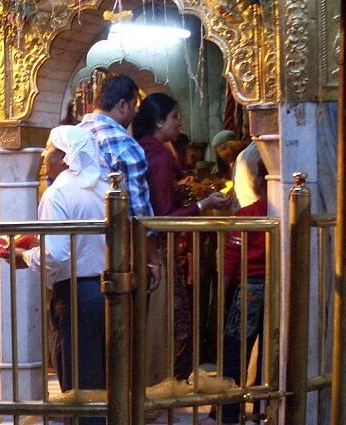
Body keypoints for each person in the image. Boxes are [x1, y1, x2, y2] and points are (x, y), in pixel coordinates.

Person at [5, 126, 108, 425]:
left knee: (79, 381)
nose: (43, 157)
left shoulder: (58, 193)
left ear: (65, 158)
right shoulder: (102, 189)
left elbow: (57, 254)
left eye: (48, 150)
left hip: (76, 296)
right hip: (107, 291)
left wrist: (24, 255)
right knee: (102, 379)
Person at [132, 93, 230, 382]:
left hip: (145, 249)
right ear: (159, 121)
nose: (180, 123)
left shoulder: (148, 149)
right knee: (170, 324)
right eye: (175, 116)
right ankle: (160, 387)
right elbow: (162, 218)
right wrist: (204, 204)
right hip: (158, 250)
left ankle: (151, 387)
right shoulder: (159, 157)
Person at [202, 161, 268, 425]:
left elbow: (231, 257)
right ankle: (264, 409)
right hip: (281, 287)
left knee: (235, 349)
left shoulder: (249, 214)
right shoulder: (290, 212)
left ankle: (228, 413)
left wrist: (222, 292)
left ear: (261, 180)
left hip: (251, 287)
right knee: (269, 352)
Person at [77, 73, 153, 219]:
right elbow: (139, 214)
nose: (135, 114)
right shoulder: (125, 145)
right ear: (123, 105)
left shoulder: (70, 137)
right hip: (113, 236)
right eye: (134, 106)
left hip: (73, 234)